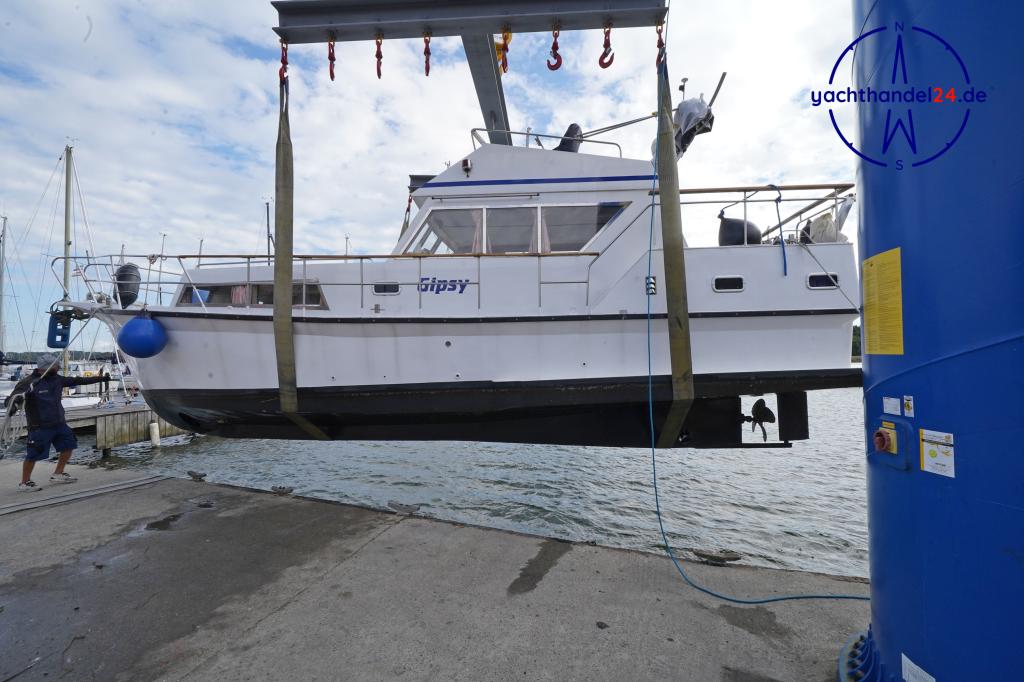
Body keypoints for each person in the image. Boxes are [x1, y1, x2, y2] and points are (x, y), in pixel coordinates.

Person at [6, 354, 109, 492]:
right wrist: (12, 406)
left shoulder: (57, 379)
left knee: (69, 445)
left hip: (59, 424)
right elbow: (13, 398)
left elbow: (78, 380)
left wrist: (101, 378)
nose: (59, 367)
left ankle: (58, 473)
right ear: (46, 368)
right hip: (39, 426)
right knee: (34, 454)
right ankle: (25, 482)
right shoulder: (29, 382)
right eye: (56, 366)